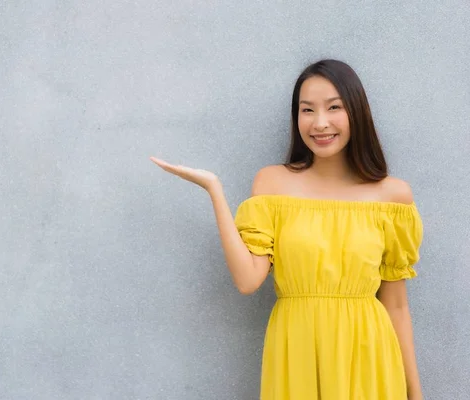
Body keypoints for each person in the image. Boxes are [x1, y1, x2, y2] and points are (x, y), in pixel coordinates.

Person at [150, 59, 424, 399]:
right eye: (307, 110)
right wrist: (215, 191)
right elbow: (248, 280)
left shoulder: (392, 196)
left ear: (356, 111)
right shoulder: (272, 183)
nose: (320, 123)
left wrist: (415, 393)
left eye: (334, 107)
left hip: (368, 358)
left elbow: (396, 306)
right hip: (296, 355)